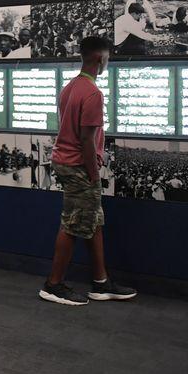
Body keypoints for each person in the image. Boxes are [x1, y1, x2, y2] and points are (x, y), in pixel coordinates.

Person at [41, 37, 137, 306]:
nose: (108, 62)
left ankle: (100, 282)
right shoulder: (93, 93)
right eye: (107, 58)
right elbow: (86, 139)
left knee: (93, 220)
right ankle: (53, 285)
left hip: (68, 162)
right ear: (100, 59)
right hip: (79, 166)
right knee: (72, 224)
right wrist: (94, 175)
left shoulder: (70, 87)